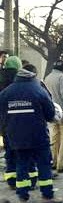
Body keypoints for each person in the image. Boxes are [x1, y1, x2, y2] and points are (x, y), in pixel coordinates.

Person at [0, 64, 63, 203]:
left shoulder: (5, 93)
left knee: (21, 164)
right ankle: (47, 197)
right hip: (38, 136)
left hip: (16, 137)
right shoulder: (38, 90)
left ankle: (22, 198)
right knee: (43, 164)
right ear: (32, 77)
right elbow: (50, 114)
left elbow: (1, 116)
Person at [1, 56, 24, 189]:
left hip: (4, 123)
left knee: (9, 151)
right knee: (23, 153)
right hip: (20, 121)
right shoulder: (19, 80)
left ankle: (11, 179)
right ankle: (25, 180)